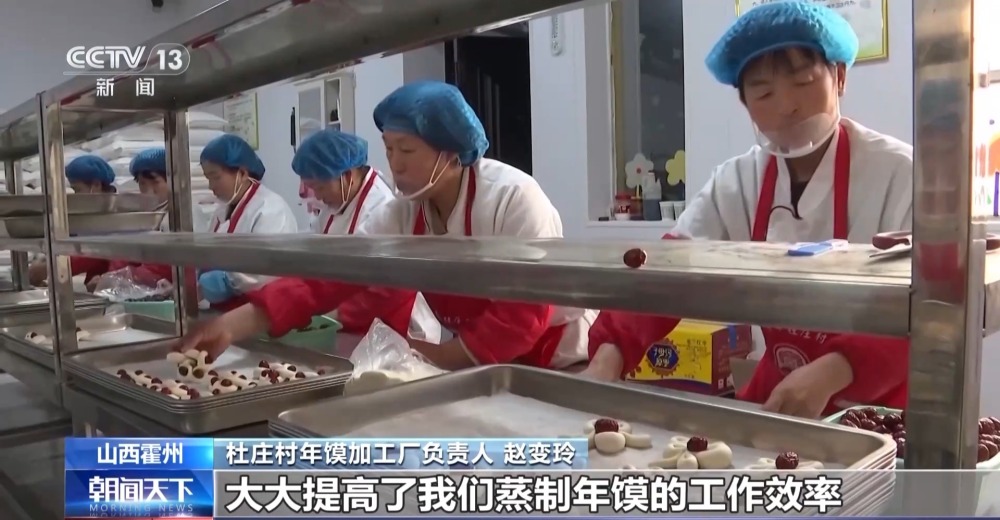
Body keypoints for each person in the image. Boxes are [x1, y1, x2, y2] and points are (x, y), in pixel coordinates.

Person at [582, 3, 911, 419]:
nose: (787, 106)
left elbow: (929, 308)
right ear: (745, 103)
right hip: (779, 393)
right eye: (764, 92)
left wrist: (835, 370)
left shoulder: (899, 174)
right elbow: (668, 273)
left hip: (882, 407)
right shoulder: (737, 183)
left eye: (804, 82)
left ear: (839, 77)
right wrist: (610, 352)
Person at [176, 81, 597, 371]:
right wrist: (233, 324)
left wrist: (435, 358)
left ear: (452, 154)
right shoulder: (402, 213)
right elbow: (329, 276)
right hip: (477, 357)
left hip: (557, 358)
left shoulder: (513, 198)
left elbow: (523, 313)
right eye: (389, 149)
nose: (394, 164)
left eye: (407, 150)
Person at [292, 128, 441, 343]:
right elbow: (316, 256)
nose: (318, 196)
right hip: (355, 322)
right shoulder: (334, 205)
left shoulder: (381, 205)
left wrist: (332, 313)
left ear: (346, 176)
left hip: (397, 327)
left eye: (321, 187)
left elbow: (386, 286)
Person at [197, 134, 298, 310]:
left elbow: (264, 270)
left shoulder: (270, 209)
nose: (210, 186)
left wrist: (223, 282)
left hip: (257, 310)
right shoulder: (222, 209)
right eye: (208, 178)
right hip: (225, 308)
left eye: (215, 177)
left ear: (242, 173)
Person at [28, 155, 120, 288]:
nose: (76, 195)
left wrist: (50, 268)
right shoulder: (92, 211)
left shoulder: (116, 212)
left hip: (117, 286)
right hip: (99, 285)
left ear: (96, 185)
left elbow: (96, 252)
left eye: (78, 189)